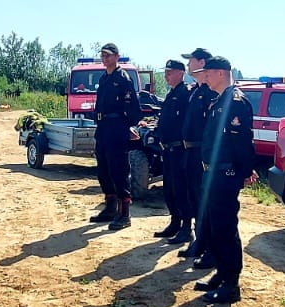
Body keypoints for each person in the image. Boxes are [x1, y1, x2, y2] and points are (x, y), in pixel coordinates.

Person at [192, 56, 256, 304]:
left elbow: (242, 142)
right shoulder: (218, 100)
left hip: (225, 174)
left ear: (221, 73)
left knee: (225, 228)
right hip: (211, 173)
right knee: (212, 226)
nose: (205, 77)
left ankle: (231, 283)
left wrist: (245, 171)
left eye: (208, 73)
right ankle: (220, 272)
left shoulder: (235, 102)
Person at [88, 43, 143, 230]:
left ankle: (124, 213)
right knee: (103, 170)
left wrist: (129, 126)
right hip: (103, 128)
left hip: (117, 128)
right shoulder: (104, 78)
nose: (105, 59)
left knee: (118, 169)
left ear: (117, 57)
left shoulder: (122, 78)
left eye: (109, 56)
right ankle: (110, 208)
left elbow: (132, 106)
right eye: (103, 56)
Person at [177, 48, 218, 263]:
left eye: (190, 60)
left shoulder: (211, 92)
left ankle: (211, 248)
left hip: (203, 153)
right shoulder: (196, 90)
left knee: (206, 202)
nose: (188, 65)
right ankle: (200, 241)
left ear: (201, 62)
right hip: (190, 152)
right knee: (194, 198)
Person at [151, 59, 190, 241]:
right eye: (165, 72)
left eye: (170, 72)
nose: (166, 76)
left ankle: (186, 227)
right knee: (169, 189)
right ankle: (175, 222)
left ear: (181, 73)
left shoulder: (185, 93)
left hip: (179, 149)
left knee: (181, 189)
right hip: (167, 149)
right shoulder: (171, 94)